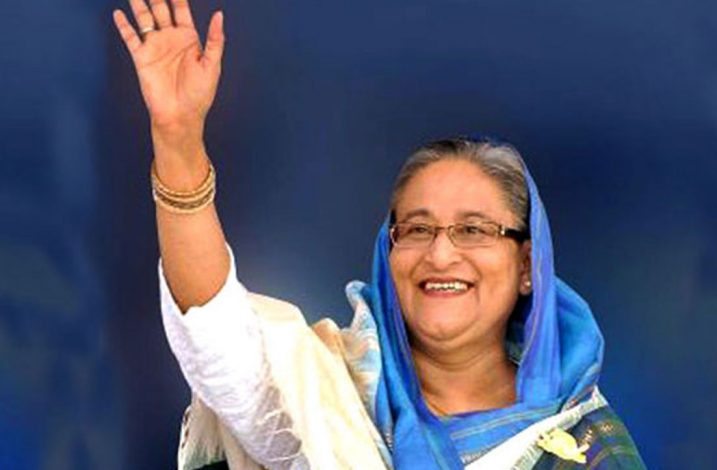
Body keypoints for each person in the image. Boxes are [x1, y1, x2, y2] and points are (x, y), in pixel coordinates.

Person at [113, 1, 647, 469]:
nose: (441, 252)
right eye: (417, 229)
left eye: (473, 229)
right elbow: (216, 336)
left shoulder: (584, 447)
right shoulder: (327, 399)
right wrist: (178, 142)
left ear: (527, 265)